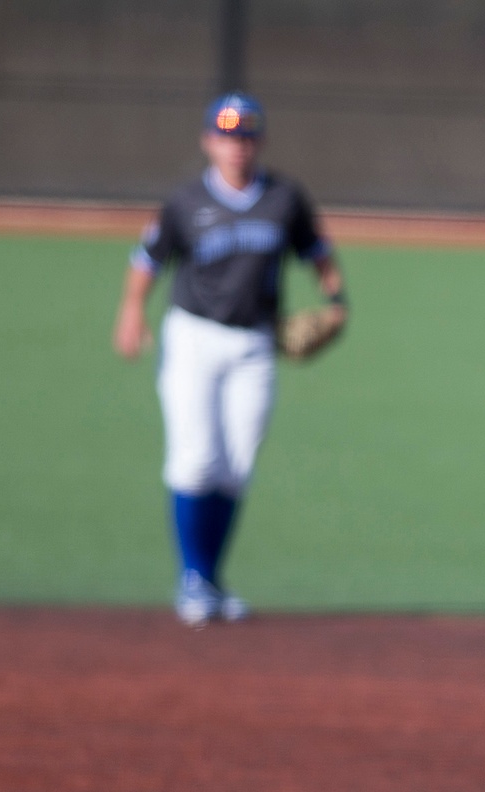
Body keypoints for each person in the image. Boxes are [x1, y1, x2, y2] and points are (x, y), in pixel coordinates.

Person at [113, 92, 346, 627]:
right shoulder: (185, 201)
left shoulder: (285, 198)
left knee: (236, 466)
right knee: (196, 460)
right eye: (226, 136)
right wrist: (131, 313)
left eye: (245, 136)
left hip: (255, 345)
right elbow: (146, 260)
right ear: (207, 142)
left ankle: (212, 581)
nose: (236, 146)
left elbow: (318, 252)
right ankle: (193, 579)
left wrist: (337, 303)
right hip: (192, 338)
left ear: (259, 141)